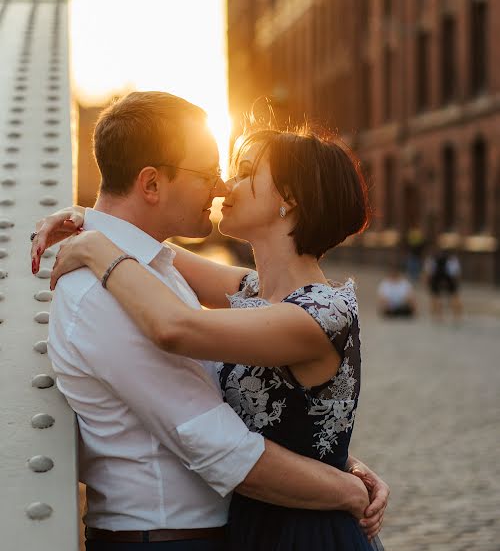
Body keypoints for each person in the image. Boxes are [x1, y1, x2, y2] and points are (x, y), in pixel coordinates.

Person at [31, 92, 388, 550]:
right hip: (198, 532)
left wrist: (100, 243)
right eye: (213, 173)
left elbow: (178, 327)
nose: (222, 187)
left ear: (290, 199)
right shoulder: (251, 292)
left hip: (299, 531)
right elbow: (157, 257)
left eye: (241, 174)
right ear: (153, 184)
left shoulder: (317, 313)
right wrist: (90, 224)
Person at [423, 247, 463, 321]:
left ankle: (437, 317)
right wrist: (456, 282)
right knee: (454, 296)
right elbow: (457, 272)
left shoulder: (432, 258)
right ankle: (457, 316)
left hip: (436, 278)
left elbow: (428, 272)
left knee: (435, 297)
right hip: (449, 278)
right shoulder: (452, 258)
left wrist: (426, 282)